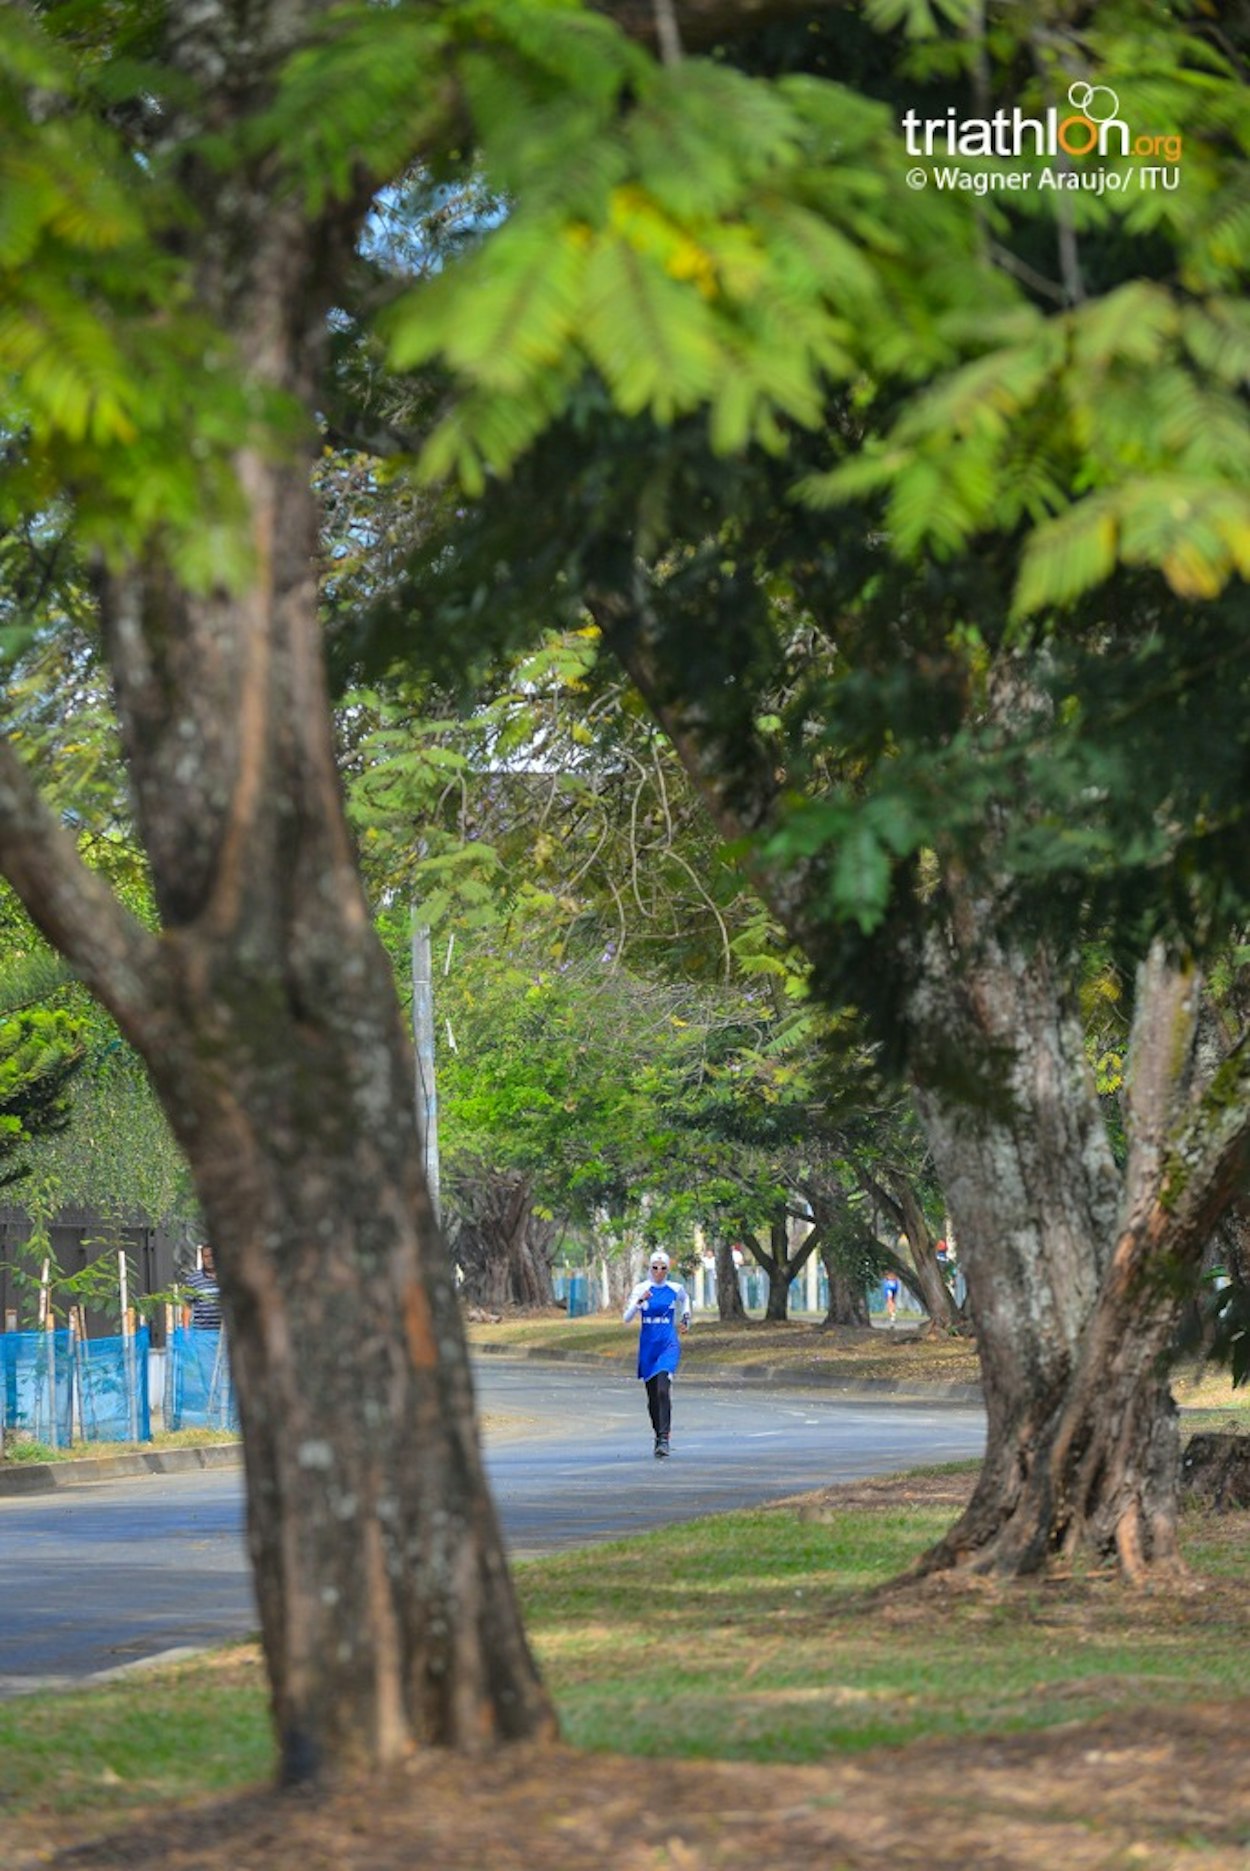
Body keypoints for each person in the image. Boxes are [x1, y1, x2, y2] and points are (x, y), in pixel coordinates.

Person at [623, 1249, 691, 1458]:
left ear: (668, 1269)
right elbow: (626, 1318)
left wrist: (686, 1318)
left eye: (663, 1268)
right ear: (650, 1268)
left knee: (663, 1390)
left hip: (668, 1344)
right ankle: (657, 1434)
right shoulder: (642, 1289)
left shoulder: (674, 1288)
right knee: (653, 1395)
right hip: (648, 1346)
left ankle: (664, 1437)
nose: (659, 1272)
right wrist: (640, 1302)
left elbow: (685, 1299)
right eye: (655, 1268)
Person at [183, 1244, 222, 1331]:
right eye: (206, 1256)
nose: (209, 1259)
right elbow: (187, 1306)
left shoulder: (227, 1278)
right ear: (202, 1258)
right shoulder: (193, 1279)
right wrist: (186, 1332)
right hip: (201, 1333)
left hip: (223, 1333)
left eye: (212, 1256)